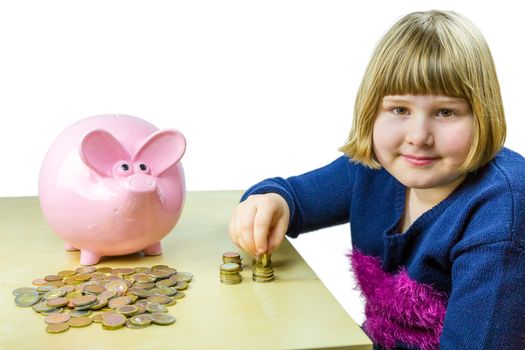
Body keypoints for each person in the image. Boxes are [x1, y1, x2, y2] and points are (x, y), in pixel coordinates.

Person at [228, 9, 525, 350]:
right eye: (399, 110)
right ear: (372, 111)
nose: (418, 136)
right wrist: (269, 202)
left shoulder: (502, 213)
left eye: (446, 112)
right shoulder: (375, 168)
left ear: (483, 115)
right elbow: (292, 197)